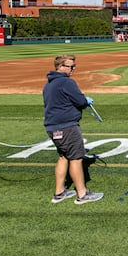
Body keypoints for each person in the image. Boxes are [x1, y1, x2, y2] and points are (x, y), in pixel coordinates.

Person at [43, 54, 104, 205]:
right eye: (70, 66)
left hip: (52, 127)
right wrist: (84, 100)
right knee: (76, 159)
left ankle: (59, 192)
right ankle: (82, 194)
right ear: (60, 66)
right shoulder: (66, 82)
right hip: (67, 126)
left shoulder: (49, 84)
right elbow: (80, 101)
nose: (73, 69)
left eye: (74, 66)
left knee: (64, 157)